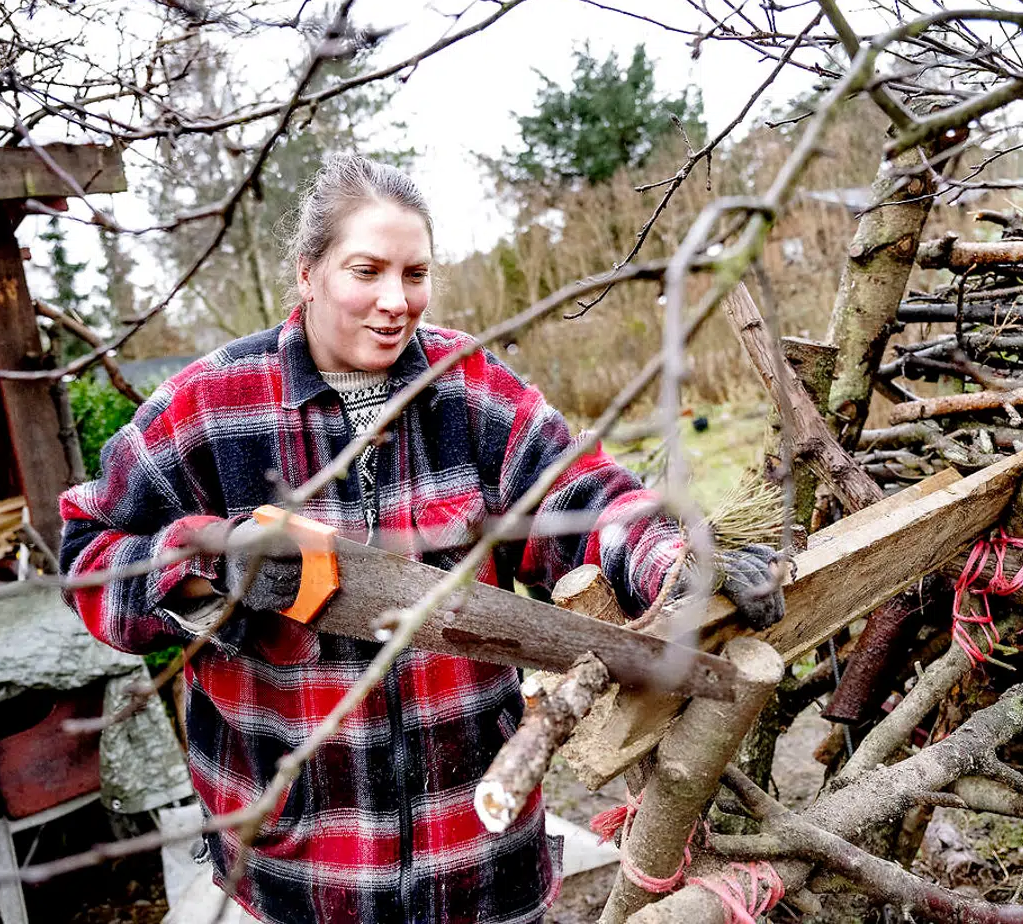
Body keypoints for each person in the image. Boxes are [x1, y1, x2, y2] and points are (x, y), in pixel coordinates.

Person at [59, 154, 784, 924]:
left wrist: (673, 564)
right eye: (366, 271)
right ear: (308, 273)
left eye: (414, 274)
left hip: (477, 851)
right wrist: (209, 564)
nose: (394, 301)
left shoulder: (467, 387)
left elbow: (581, 497)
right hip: (302, 868)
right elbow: (90, 556)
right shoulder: (211, 405)